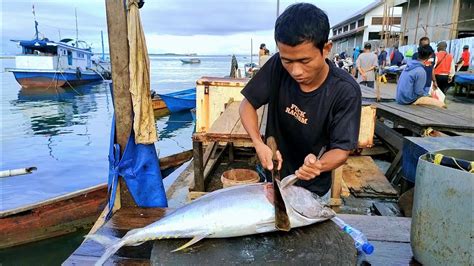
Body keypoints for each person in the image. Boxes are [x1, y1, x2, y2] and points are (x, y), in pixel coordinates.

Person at [239, 3, 361, 197]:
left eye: (305, 61)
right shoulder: (276, 66)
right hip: (274, 174)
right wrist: (258, 143)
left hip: (313, 187)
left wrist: (318, 165)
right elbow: (247, 104)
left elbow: (341, 150)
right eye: (287, 60)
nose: (296, 71)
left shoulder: (345, 90)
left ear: (326, 48)